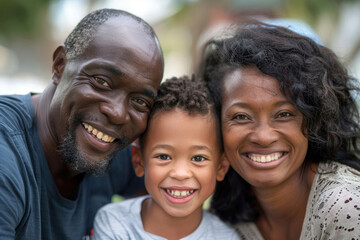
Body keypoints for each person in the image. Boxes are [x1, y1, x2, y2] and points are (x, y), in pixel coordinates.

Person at [0, 8, 164, 240]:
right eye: (101, 81)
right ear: (60, 65)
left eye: (139, 101)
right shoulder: (7, 157)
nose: (117, 114)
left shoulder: (110, 149)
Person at [198, 21, 360, 239]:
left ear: (313, 120)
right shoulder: (225, 216)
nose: (263, 137)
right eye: (241, 117)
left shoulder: (347, 208)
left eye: (284, 114)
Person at [92, 76, 239, 240]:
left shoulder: (227, 236)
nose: (180, 173)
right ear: (139, 162)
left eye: (198, 158)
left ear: (221, 167)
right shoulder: (113, 223)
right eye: (163, 156)